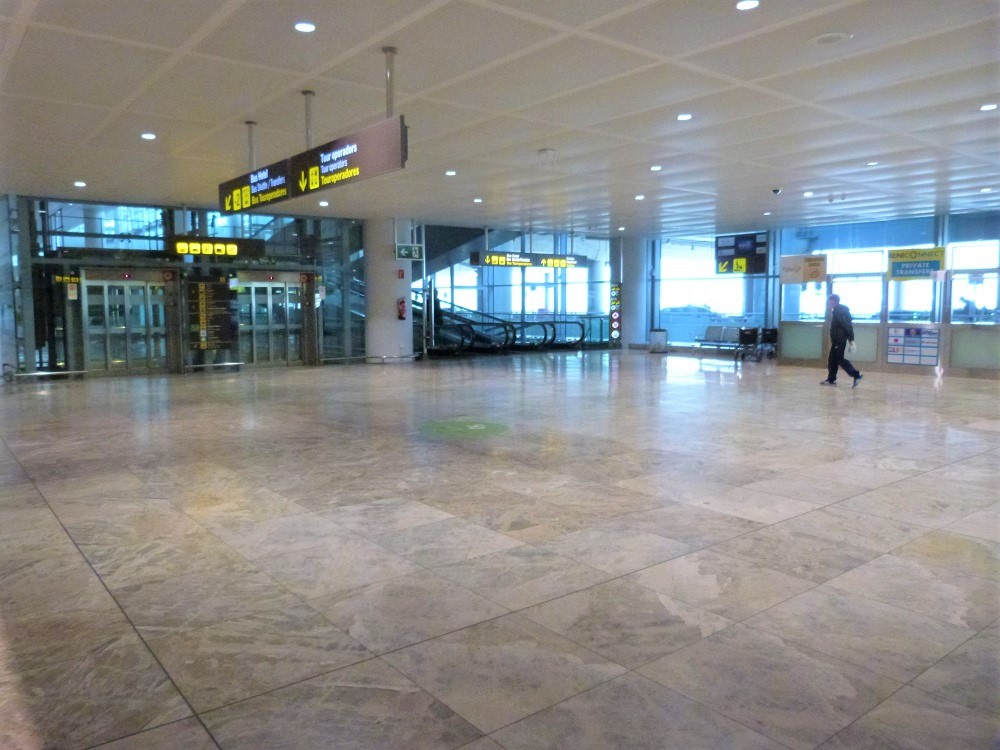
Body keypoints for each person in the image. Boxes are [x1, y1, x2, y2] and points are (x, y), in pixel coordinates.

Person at [822, 293, 862, 387]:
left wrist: (851, 340)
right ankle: (831, 379)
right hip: (837, 340)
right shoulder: (838, 310)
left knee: (839, 359)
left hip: (839, 340)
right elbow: (847, 325)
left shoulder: (838, 311)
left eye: (830, 301)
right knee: (832, 360)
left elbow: (846, 325)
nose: (828, 303)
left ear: (834, 301)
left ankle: (856, 375)